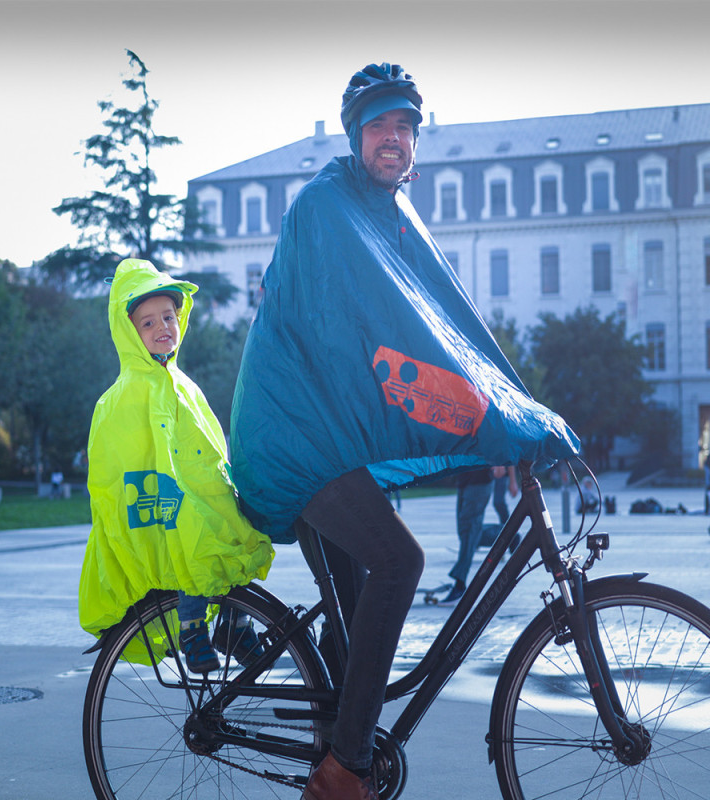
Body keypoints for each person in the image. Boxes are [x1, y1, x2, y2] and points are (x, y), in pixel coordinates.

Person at [230, 62, 579, 799]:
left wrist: (518, 408)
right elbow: (402, 334)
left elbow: (457, 327)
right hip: (294, 439)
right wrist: (500, 421)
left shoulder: (394, 214)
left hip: (330, 439)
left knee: (356, 619)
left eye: (406, 126)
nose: (394, 138)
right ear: (357, 134)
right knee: (401, 562)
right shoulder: (330, 208)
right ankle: (344, 768)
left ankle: (336, 743)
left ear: (416, 141)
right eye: (380, 124)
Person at [78, 258, 274, 674]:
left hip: (206, 490)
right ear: (128, 334)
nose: (162, 327)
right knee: (191, 543)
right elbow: (118, 462)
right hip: (166, 499)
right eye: (147, 323)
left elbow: (207, 438)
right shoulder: (124, 395)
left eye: (168, 316)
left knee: (237, 530)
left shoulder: (182, 383)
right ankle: (191, 629)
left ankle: (235, 624)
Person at [439, 467, 495, 606]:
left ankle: (460, 583)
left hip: (480, 480)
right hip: (464, 479)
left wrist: (501, 463)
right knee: (467, 532)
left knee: (469, 531)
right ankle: (510, 535)